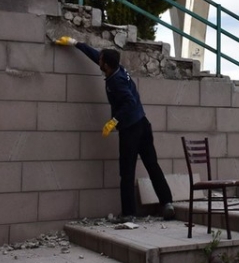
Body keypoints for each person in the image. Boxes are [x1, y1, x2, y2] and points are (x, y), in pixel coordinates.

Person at [54, 36, 175, 221]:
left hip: (131, 129)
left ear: (107, 66)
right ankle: (167, 203)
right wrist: (75, 43)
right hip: (143, 124)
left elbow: (129, 101)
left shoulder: (115, 81)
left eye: (101, 61)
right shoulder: (117, 68)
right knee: (152, 165)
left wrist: (114, 121)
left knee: (126, 171)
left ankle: (129, 214)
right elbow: (95, 56)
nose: (99, 61)